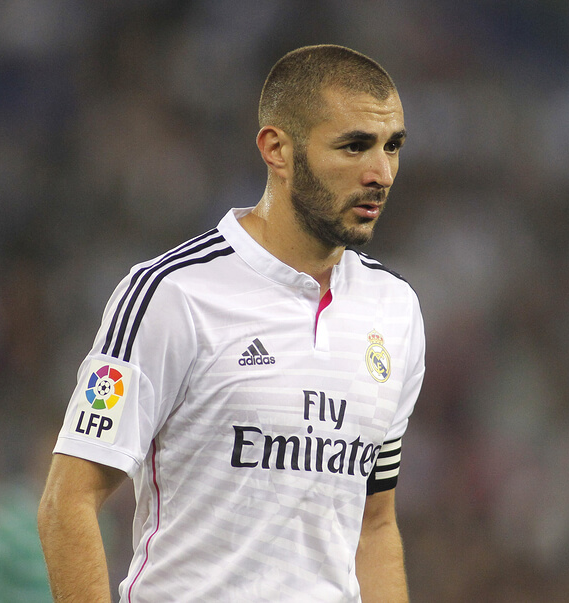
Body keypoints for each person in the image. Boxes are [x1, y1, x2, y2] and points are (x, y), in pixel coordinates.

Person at [37, 44, 425, 603]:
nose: (381, 172)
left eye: (393, 147)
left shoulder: (396, 310)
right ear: (277, 149)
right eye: (354, 146)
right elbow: (66, 502)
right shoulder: (171, 294)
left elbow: (374, 523)